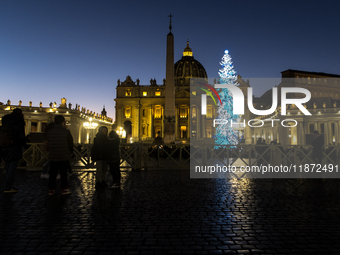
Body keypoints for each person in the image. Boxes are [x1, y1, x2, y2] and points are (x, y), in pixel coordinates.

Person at [45, 115, 73, 195]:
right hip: (64, 156)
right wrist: (71, 153)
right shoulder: (66, 131)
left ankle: (51, 189)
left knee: (52, 174)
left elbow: (47, 143)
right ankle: (64, 189)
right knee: (63, 173)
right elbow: (70, 144)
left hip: (53, 156)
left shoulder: (49, 132)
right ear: (62, 122)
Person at [1, 108, 26, 193]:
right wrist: (25, 145)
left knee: (7, 165)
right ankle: (8, 187)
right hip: (14, 146)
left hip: (4, 145)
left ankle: (6, 185)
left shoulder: (5, 120)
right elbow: (21, 136)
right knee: (12, 167)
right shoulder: (19, 121)